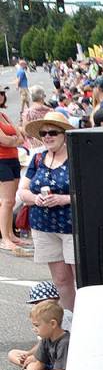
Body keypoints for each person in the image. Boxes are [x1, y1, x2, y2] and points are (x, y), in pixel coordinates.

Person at [18, 111, 76, 310]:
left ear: (64, 134)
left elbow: (90, 193)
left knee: (82, 280)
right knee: (61, 280)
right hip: (44, 227)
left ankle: (87, 323)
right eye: (43, 134)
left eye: (53, 132)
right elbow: (22, 192)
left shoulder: (76, 158)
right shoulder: (37, 158)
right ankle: (69, 322)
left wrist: (63, 199)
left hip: (72, 227)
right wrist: (36, 199)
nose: (47, 137)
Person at [11, 300, 68, 370]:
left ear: (53, 324)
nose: (34, 329)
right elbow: (40, 363)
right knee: (31, 366)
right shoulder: (46, 338)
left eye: (37, 325)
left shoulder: (64, 342)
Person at [0, 90, 26, 253]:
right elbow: (3, 139)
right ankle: (5, 237)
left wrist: (13, 141)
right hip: (2, 161)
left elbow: (21, 138)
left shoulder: (4, 115)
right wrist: (13, 140)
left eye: (1, 93)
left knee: (10, 201)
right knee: (7, 201)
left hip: (13, 159)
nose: (1, 96)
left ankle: (10, 233)